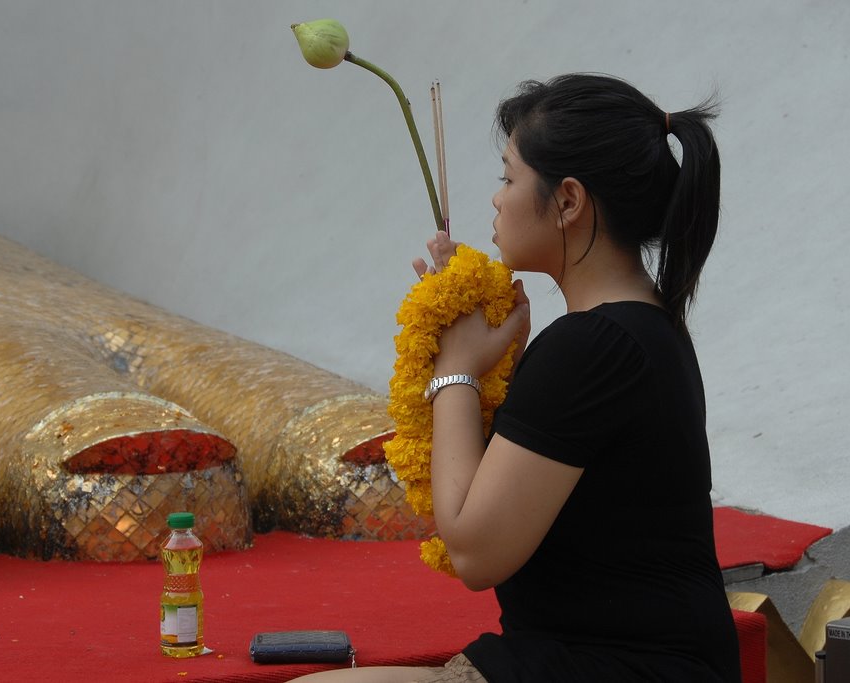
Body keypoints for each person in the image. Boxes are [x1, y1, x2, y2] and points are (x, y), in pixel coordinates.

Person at [291, 73, 741, 682]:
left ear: (569, 201)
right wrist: (480, 347)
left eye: (509, 177)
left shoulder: (592, 346)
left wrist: (456, 368)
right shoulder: (641, 327)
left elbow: (475, 551)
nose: (497, 200)